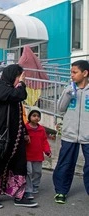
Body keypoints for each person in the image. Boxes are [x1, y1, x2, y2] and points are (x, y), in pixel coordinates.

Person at [0, 64, 38, 208]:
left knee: (19, 164)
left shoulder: (10, 90)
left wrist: (25, 132)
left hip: (15, 138)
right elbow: (20, 94)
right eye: (19, 77)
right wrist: (22, 83)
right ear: (12, 76)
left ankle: (18, 195)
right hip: (0, 137)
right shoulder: (1, 89)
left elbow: (17, 115)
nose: (21, 80)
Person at [53, 60, 89, 204]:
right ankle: (61, 191)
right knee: (65, 163)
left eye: (75, 72)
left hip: (87, 136)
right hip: (69, 135)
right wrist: (68, 94)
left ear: (85, 73)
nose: (72, 75)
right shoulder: (68, 88)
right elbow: (60, 109)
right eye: (71, 72)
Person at [24, 107, 51, 200]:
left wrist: (47, 151)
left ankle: (35, 185)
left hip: (38, 156)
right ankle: (28, 189)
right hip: (27, 155)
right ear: (29, 117)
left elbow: (44, 141)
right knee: (28, 172)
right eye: (34, 115)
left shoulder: (41, 129)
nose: (36, 118)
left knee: (37, 172)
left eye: (38, 116)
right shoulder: (25, 128)